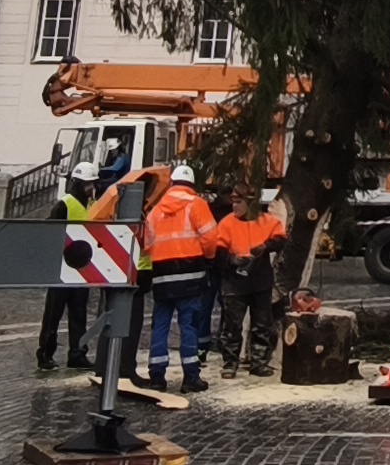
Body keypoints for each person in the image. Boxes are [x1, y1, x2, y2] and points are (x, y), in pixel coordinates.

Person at [40, 156, 145, 374]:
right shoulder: (64, 205)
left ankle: (77, 353)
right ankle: (45, 354)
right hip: (62, 269)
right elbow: (49, 233)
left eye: (93, 184)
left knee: (79, 313)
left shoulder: (92, 206)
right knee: (53, 314)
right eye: (88, 184)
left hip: (82, 270)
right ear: (78, 183)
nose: (92, 188)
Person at [138, 161, 220, 394]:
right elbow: (210, 237)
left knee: (161, 326)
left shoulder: (155, 210)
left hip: (162, 276)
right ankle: (191, 377)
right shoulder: (197, 204)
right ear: (191, 185)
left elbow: (147, 246)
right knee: (189, 325)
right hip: (191, 274)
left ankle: (157, 377)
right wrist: (209, 257)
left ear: (172, 183)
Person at [211, 192, 288, 377]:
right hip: (234, 282)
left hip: (259, 279)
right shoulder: (227, 223)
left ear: (250, 203)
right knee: (232, 326)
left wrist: (265, 247)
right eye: (233, 202)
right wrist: (232, 259)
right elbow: (218, 251)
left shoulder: (267, 221)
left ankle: (258, 362)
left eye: (239, 202)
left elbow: (280, 240)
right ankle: (230, 363)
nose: (234, 206)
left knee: (262, 324)